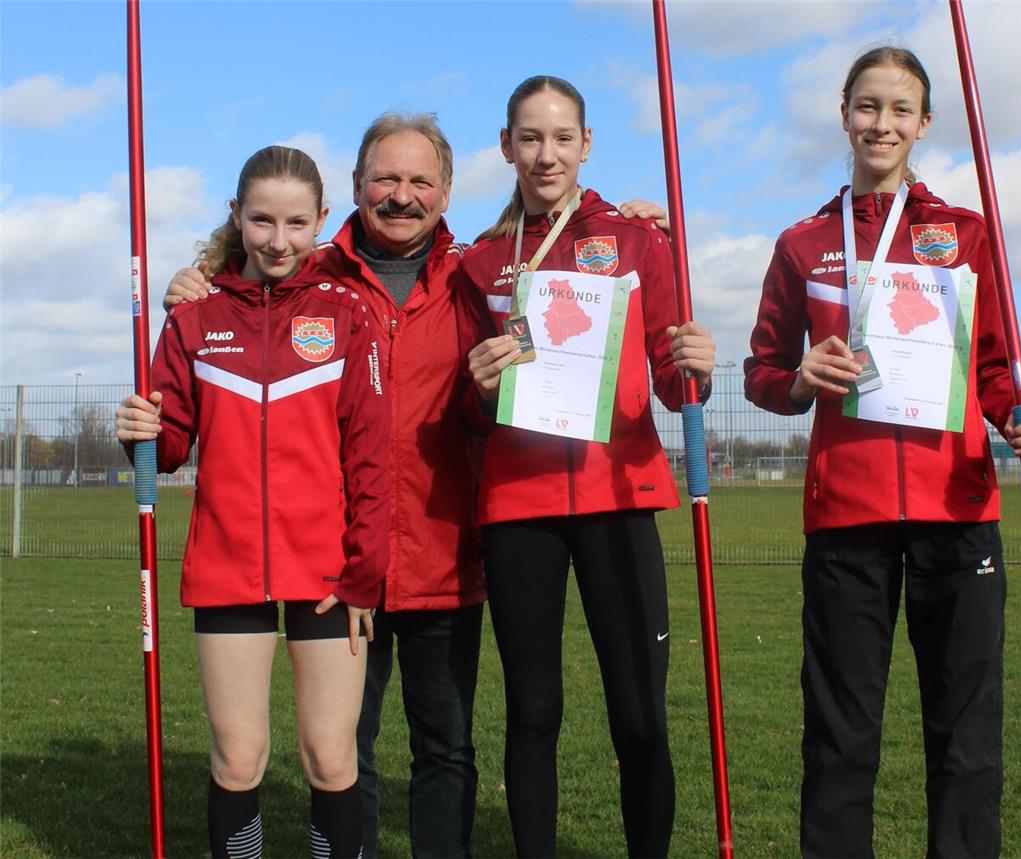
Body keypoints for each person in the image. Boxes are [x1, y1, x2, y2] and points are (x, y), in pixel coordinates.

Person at [162, 113, 669, 859]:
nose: (402, 196)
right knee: (344, 752)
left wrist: (627, 222)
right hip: (337, 562)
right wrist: (201, 279)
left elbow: (555, 325)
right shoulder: (312, 273)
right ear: (357, 187)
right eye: (386, 180)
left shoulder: (476, 274)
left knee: (445, 747)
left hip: (441, 549)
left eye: (420, 181)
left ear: (448, 190)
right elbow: (245, 307)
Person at [743, 47, 1021, 858]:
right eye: (866, 106)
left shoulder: (964, 234)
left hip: (957, 509)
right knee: (841, 736)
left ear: (924, 124)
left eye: (899, 109)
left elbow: (994, 366)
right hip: (846, 518)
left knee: (965, 734)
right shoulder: (802, 241)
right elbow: (762, 371)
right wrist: (799, 378)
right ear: (843, 114)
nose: (881, 123)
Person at [461, 75, 715, 858]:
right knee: (534, 710)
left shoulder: (641, 240)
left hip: (618, 494)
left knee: (638, 712)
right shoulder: (479, 262)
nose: (546, 154)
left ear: (588, 143)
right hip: (519, 506)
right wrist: (477, 384)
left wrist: (696, 364)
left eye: (562, 137)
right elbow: (468, 408)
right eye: (530, 138)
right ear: (506, 146)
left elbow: (678, 385)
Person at [116, 145, 390, 859]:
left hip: (328, 574)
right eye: (262, 220)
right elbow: (170, 445)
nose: (278, 240)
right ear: (236, 217)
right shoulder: (193, 319)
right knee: (239, 757)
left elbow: (370, 457)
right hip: (228, 565)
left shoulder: (346, 313)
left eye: (296, 223)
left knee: (331, 756)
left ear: (323, 220)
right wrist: (140, 431)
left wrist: (366, 570)